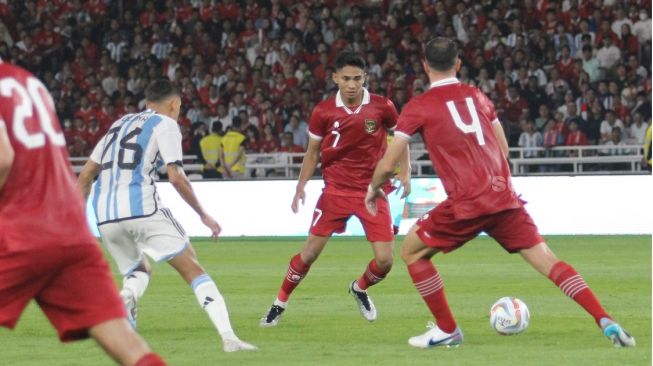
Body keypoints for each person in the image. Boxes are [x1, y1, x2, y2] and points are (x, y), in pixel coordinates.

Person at [365, 38, 635, 349]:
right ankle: (606, 320)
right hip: (504, 197)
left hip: (466, 201)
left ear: (424, 65)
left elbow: (388, 162)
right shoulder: (478, 96)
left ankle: (447, 328)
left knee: (412, 251)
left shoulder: (419, 106)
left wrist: (373, 189)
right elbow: (503, 149)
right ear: (458, 64)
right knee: (549, 261)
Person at [0, 61, 166, 365]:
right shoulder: (28, 83)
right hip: (69, 232)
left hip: (21, 232)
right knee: (127, 346)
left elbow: (2, 158)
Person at [77, 79, 256, 353]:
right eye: (179, 107)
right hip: (142, 208)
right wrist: (203, 215)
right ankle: (229, 337)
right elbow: (176, 177)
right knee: (193, 268)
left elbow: (86, 175)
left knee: (139, 269)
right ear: (173, 104)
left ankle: (127, 296)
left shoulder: (117, 124)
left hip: (105, 216)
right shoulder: (166, 124)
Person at [260, 51, 411, 327]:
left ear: (365, 77)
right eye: (346, 79)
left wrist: (406, 172)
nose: (352, 84)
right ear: (335, 79)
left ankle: (360, 288)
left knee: (386, 261)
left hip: (372, 193)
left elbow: (400, 137)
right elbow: (312, 152)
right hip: (335, 192)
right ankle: (279, 304)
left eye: (357, 78)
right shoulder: (323, 111)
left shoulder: (382, 106)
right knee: (309, 254)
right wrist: (300, 187)